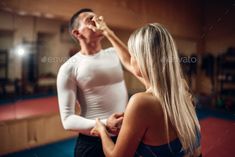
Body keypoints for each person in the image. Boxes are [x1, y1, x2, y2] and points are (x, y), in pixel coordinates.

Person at [91, 23, 202, 157]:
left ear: (143, 60)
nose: (130, 59)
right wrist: (107, 32)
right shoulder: (180, 88)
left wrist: (101, 130)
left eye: (133, 54)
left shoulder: (140, 102)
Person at [56, 8, 129, 157]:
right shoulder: (69, 68)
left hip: (125, 137)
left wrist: (109, 32)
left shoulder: (115, 53)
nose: (97, 22)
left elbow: (138, 66)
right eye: (90, 20)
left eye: (98, 18)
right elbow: (67, 120)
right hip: (92, 142)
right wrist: (104, 124)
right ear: (77, 33)